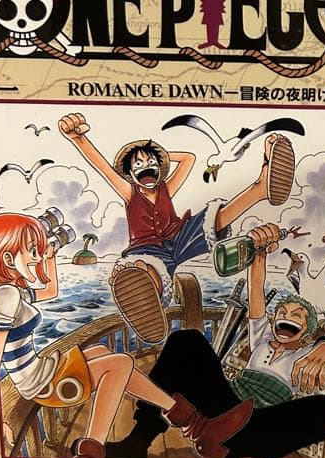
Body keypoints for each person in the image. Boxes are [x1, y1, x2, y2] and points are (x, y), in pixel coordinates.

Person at [0, 212, 251, 458]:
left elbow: (49, 292)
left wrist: (50, 255)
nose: (36, 257)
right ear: (8, 259)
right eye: (32, 251)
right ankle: (92, 449)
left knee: (103, 353)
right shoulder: (6, 296)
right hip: (41, 382)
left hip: (45, 370)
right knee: (120, 364)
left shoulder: (13, 292)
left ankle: (198, 427)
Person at [107, 222, 325, 458]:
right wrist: (260, 252)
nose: (287, 316)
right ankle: (138, 441)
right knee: (186, 340)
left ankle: (232, 442)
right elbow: (256, 288)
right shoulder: (261, 337)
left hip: (260, 421)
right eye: (282, 312)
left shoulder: (308, 352)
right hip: (224, 407)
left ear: (308, 329)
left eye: (297, 315)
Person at [58, 112, 295, 343]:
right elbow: (103, 168)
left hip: (179, 238)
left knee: (211, 220)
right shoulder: (130, 193)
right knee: (147, 270)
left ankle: (260, 189)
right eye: (138, 164)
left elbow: (189, 158)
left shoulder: (166, 189)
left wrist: (159, 154)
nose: (146, 166)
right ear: (129, 174)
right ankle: (143, 298)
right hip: (148, 249)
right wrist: (79, 138)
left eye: (151, 163)